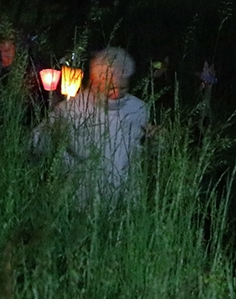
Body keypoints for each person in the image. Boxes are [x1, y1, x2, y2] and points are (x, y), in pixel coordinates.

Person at [31, 47, 149, 209]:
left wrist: (155, 143)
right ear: (95, 82)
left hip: (123, 206)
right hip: (79, 204)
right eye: (110, 88)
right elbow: (37, 143)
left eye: (122, 88)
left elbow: (142, 152)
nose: (115, 94)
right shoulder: (70, 110)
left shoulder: (138, 110)